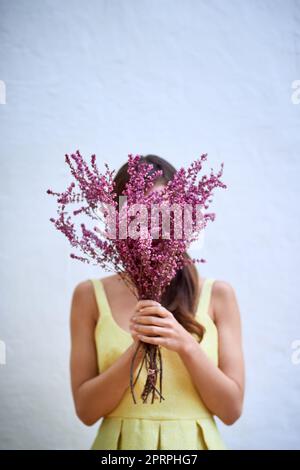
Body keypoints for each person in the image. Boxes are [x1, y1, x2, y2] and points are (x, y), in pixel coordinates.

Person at [70, 154, 245, 450]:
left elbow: (231, 410)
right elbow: (86, 412)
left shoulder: (218, 295)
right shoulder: (89, 296)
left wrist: (184, 343)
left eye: (163, 212)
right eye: (137, 212)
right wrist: (138, 350)